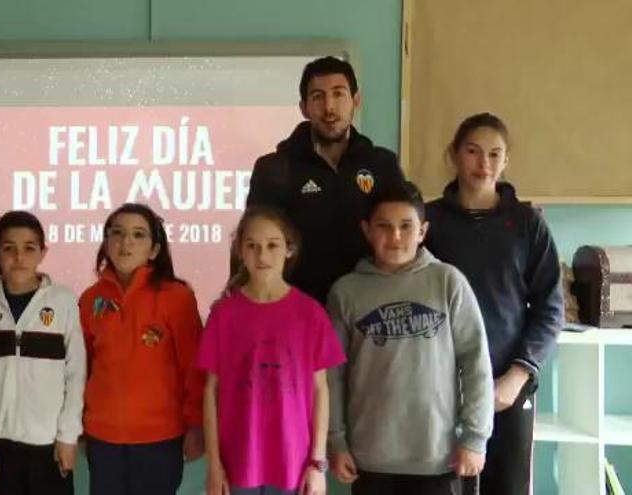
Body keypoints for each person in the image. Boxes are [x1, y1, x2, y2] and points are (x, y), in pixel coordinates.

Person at [425, 113, 563, 495]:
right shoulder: (428, 222)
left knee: (508, 486)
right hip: (440, 387)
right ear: (454, 155)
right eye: (473, 151)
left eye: (494, 154)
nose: (483, 164)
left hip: (507, 386)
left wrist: (517, 375)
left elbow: (551, 308)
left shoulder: (526, 223)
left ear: (506, 161)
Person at [327, 181, 493, 495]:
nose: (395, 237)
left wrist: (475, 438)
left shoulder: (448, 282)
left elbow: (476, 364)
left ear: (422, 231)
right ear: (366, 230)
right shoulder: (345, 291)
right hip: (370, 458)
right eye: (384, 226)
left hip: (436, 456)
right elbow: (333, 375)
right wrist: (335, 440)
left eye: (406, 226)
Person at [199, 206, 345, 495]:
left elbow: (320, 390)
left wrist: (317, 464)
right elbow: (210, 392)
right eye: (252, 246)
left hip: (294, 463)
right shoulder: (224, 315)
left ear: (289, 249)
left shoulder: (309, 314)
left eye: (272, 245)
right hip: (238, 463)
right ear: (240, 251)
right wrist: (214, 465)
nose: (262, 255)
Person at [246, 56, 404, 304]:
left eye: (338, 94)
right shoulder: (274, 168)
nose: (329, 106)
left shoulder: (382, 164)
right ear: (304, 107)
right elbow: (254, 242)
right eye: (318, 97)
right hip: (297, 309)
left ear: (356, 100)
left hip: (370, 310)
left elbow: (403, 234)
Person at [79, 203, 205, 495]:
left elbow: (193, 367)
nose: (126, 242)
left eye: (138, 235)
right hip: (103, 436)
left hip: (159, 438)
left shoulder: (177, 297)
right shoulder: (90, 300)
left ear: (154, 250)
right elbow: (81, 368)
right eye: (118, 233)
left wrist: (196, 425)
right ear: (106, 242)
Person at [0, 211, 86, 494]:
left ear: (43, 252)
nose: (19, 257)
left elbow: (75, 373)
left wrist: (68, 436)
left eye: (29, 248)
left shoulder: (63, 301)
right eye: (9, 249)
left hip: (50, 444)